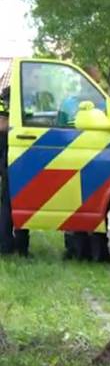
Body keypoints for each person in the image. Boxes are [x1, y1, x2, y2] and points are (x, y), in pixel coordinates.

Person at [0, 81, 29, 257]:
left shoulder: (20, 103)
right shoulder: (4, 103)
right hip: (6, 154)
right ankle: (5, 244)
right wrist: (17, 122)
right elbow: (2, 124)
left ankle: (20, 244)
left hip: (15, 154)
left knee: (20, 199)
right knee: (8, 202)